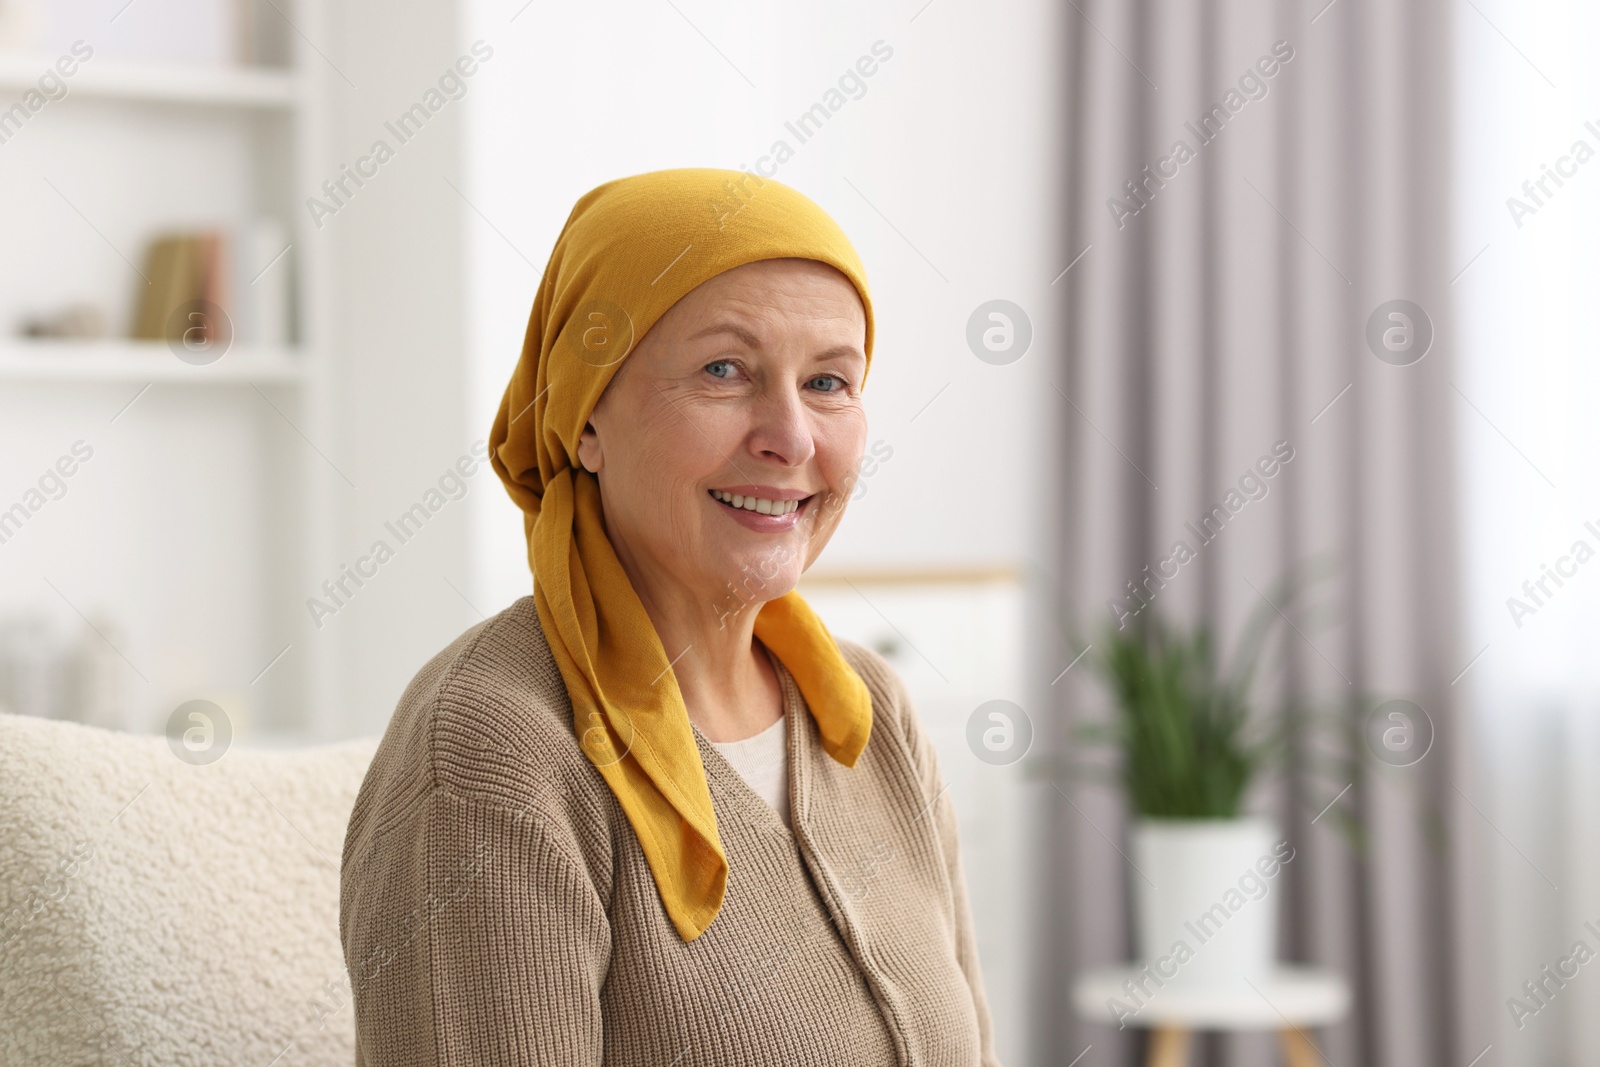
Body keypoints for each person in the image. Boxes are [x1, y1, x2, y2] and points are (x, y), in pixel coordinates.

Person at [339, 167, 1000, 1065]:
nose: (792, 437)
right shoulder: (491, 750)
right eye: (724, 370)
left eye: (830, 382)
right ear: (585, 416)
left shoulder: (871, 711)